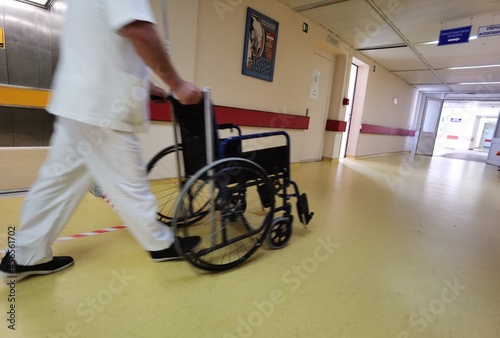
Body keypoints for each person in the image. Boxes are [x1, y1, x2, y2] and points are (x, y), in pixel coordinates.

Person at [0, 0, 202, 281]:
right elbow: (140, 31)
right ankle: (160, 243)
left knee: (57, 182)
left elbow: (105, 46)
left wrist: (148, 86)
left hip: (77, 100)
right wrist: (177, 84)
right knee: (129, 182)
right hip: (104, 106)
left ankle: (25, 254)